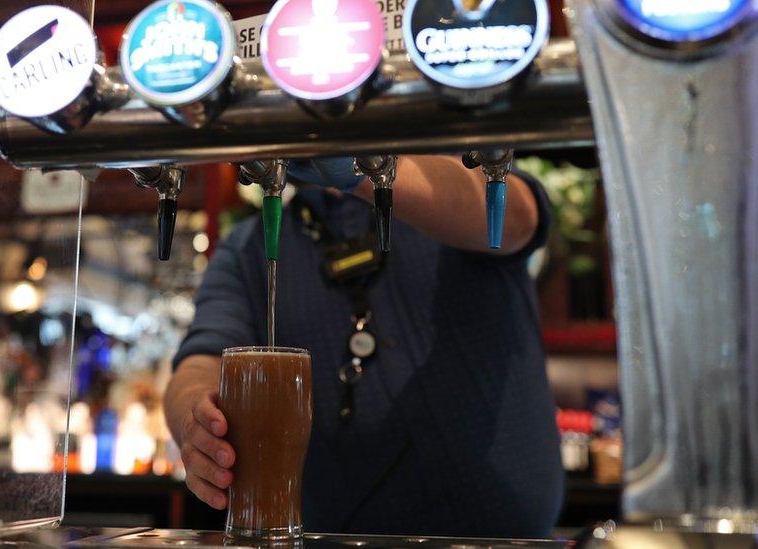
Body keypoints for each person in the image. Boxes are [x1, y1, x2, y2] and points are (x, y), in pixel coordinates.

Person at [164, 155, 563, 538]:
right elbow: (200, 360)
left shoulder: (446, 182)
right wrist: (195, 417)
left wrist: (370, 165)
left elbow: (520, 217)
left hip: (506, 539)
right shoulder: (248, 249)